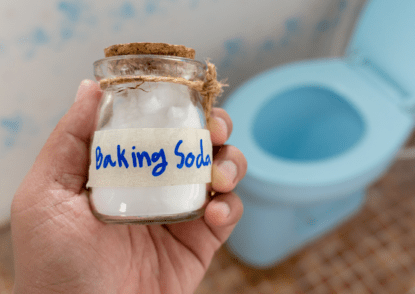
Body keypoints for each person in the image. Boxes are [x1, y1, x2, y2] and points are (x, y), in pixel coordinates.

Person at [10, 79, 247, 294]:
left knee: (220, 163)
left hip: (172, 230)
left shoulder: (182, 106)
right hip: (121, 230)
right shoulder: (113, 101)